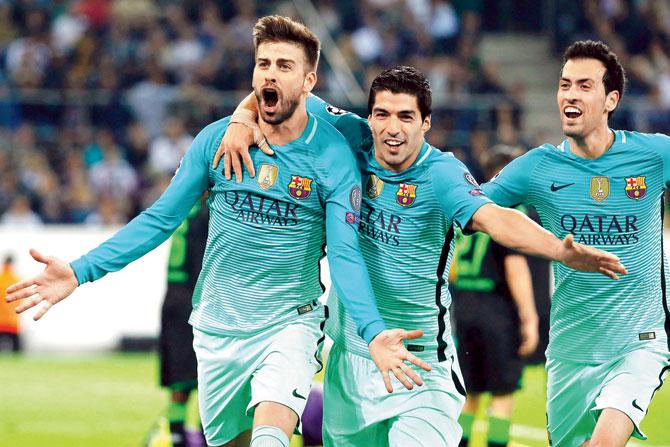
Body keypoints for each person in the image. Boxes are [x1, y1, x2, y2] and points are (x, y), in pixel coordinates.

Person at [5, 16, 432, 447]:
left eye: (285, 66)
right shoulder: (216, 141)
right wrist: (80, 271)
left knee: (271, 437)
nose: (270, 73)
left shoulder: (335, 154)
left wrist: (374, 331)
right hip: (217, 329)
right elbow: (159, 219)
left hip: (290, 322)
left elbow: (344, 255)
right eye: (263, 63)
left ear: (310, 82)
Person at [216, 65, 626, 446]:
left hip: (421, 368)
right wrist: (239, 121)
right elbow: (279, 95)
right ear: (370, 117)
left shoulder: (441, 174)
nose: (392, 129)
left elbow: (494, 218)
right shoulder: (352, 137)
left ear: (426, 124)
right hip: (351, 363)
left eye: (406, 117)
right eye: (382, 115)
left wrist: (557, 249)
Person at [481, 40, 670, 446]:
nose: (569, 94)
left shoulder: (653, 155)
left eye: (585, 86)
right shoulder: (537, 166)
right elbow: (471, 208)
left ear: (610, 99)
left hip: (638, 343)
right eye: (565, 84)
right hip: (570, 349)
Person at [452, 149, 539, 447]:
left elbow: (450, 269)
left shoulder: (469, 209)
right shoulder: (508, 212)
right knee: (501, 398)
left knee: (471, 397)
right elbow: (515, 268)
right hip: (497, 315)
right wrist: (530, 318)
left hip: (463, 311)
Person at [159, 198, 208, 447]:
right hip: (192, 299)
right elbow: (202, 266)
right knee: (208, 376)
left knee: (179, 379)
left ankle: (176, 436)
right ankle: (205, 437)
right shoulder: (206, 215)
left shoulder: (184, 213)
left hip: (172, 299)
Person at [0, 255, 21, 352]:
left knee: (17, 348)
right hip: (11, 320)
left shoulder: (14, 279)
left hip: (8, 320)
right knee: (17, 349)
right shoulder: (16, 280)